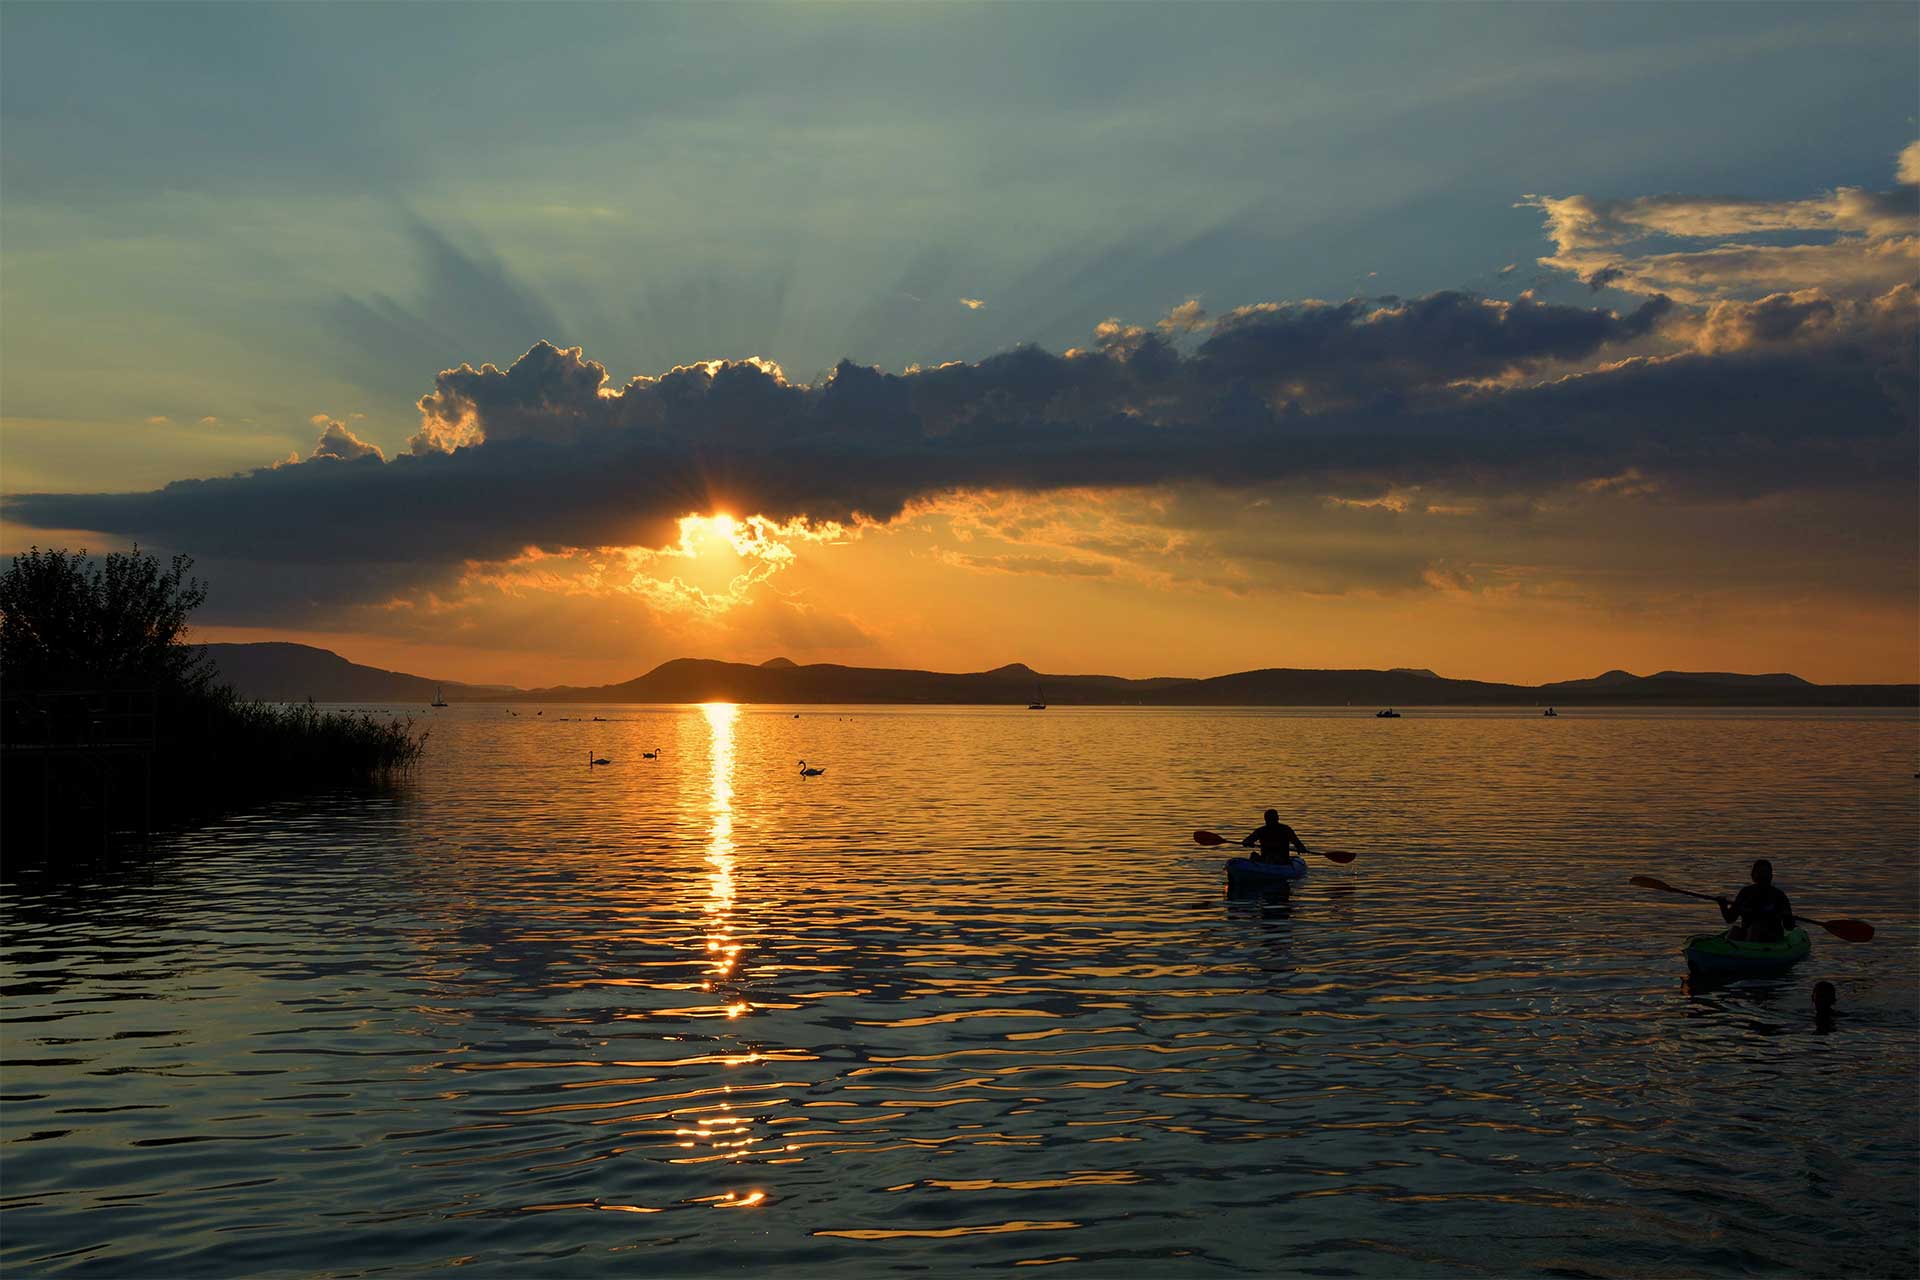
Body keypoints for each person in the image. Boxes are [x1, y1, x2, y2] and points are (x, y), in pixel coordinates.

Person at [1717, 859, 1795, 942]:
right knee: (1735, 930)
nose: (1763, 877)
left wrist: (1787, 917)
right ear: (1753, 876)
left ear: (1771, 877)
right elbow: (1730, 919)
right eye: (1760, 873)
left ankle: (1748, 946)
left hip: (1772, 937)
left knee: (1755, 929)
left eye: (1765, 874)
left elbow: (1789, 926)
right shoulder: (1745, 893)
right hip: (1747, 934)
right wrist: (1723, 906)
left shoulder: (1779, 896)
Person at [1242, 809, 1308, 865]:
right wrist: (1247, 842)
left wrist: (1301, 848)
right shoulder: (1261, 830)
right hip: (1265, 858)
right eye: (1269, 818)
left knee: (1273, 858)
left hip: (1282, 860)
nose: (1270, 820)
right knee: (1253, 854)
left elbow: (1297, 842)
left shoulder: (1285, 829)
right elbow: (1248, 840)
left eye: (1271, 818)